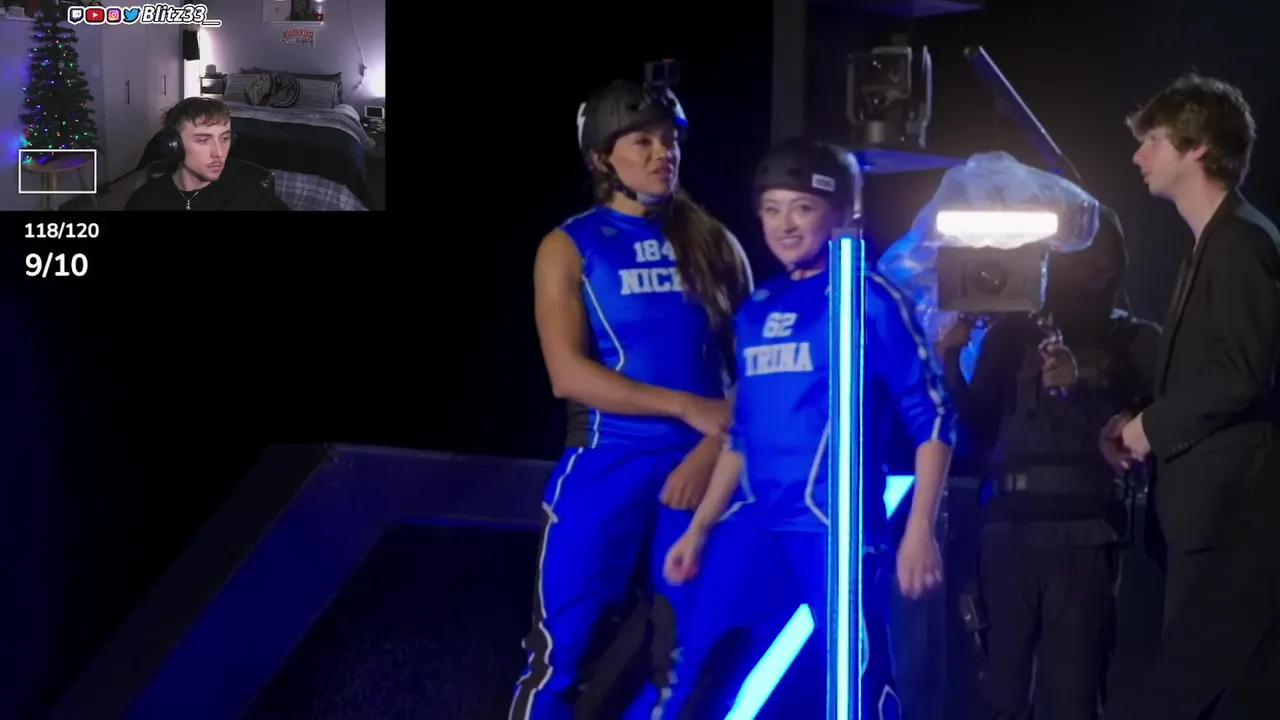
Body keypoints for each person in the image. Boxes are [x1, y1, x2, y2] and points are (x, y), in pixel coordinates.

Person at [649, 139, 955, 719]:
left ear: (841, 211)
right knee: (694, 665)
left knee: (854, 681)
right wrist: (701, 528)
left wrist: (920, 530)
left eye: (802, 208)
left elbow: (933, 417)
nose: (784, 224)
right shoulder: (758, 307)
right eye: (771, 209)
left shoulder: (868, 298)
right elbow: (744, 435)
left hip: (832, 526)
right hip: (754, 522)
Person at [508, 76, 753, 720]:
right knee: (560, 660)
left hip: (702, 473)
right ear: (601, 158)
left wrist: (710, 450)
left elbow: (757, 376)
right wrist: (686, 408)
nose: (662, 153)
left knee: (692, 665)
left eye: (670, 140)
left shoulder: (716, 242)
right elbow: (567, 375)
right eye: (642, 141)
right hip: (605, 466)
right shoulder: (570, 245)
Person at [1101, 74, 1280, 719]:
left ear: (1196, 146)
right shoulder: (1212, 244)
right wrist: (1136, 419)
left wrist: (1152, 427)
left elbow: (1241, 372)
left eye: (1152, 139)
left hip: (1229, 509)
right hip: (1201, 508)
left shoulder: (1240, 242)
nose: (1138, 155)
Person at [936, 208, 1161, 720]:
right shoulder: (1009, 338)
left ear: (1112, 264)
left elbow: (1151, 428)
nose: (1072, 267)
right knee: (1001, 694)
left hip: (1084, 534)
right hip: (1006, 533)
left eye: (1086, 254)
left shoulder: (1134, 340)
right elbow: (973, 435)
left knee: (1074, 696)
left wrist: (1082, 386)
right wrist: (949, 363)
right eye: (1060, 254)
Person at [124, 98, 289, 211]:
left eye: (224, 138)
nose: (219, 153)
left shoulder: (249, 195)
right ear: (174, 146)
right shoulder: (145, 200)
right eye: (204, 140)